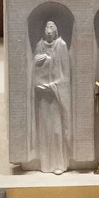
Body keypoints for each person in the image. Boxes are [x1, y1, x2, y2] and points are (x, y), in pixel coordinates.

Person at [31, 21, 72, 174]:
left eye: (52, 28)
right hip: (43, 96)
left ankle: (59, 163)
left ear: (56, 31)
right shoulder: (39, 46)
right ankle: (46, 163)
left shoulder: (61, 45)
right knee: (45, 129)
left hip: (56, 96)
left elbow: (65, 75)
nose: (49, 31)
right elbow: (32, 69)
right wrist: (35, 63)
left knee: (56, 129)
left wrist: (54, 86)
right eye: (46, 27)